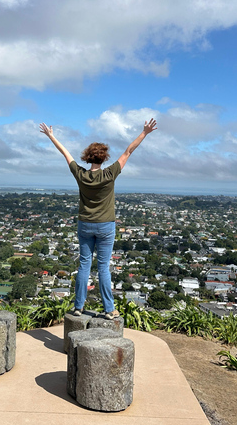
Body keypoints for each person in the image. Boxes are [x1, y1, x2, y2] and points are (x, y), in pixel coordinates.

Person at [39, 118, 157, 318]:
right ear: (104, 158)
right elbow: (129, 151)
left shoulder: (80, 174)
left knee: (84, 264)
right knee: (103, 267)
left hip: (85, 224)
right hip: (105, 226)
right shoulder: (110, 174)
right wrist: (144, 132)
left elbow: (65, 153)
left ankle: (78, 307)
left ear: (87, 157)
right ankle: (109, 310)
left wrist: (51, 136)